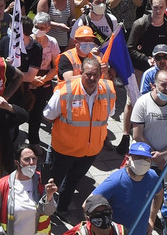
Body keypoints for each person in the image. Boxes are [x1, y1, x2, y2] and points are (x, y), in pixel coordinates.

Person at [43, 56, 115, 216]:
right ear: (80, 73)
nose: (92, 78)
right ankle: (43, 209)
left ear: (100, 75)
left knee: (73, 181)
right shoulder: (65, 91)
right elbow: (47, 115)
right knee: (52, 180)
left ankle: (62, 208)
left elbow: (109, 113)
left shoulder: (109, 91)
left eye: (96, 74)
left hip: (90, 151)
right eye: (88, 74)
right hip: (63, 150)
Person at [0, 144, 58, 235]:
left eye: (34, 158)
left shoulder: (42, 181)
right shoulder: (2, 185)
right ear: (17, 163)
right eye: (27, 159)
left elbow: (49, 212)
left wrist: (49, 196)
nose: (32, 162)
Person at [91, 142, 162, 235]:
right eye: (138, 157)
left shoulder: (153, 177)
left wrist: (152, 219)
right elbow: (88, 204)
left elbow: (159, 194)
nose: (142, 161)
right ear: (128, 159)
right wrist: (100, 233)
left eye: (146, 158)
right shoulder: (115, 181)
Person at [60, 195, 131, 235]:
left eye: (106, 212)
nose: (103, 216)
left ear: (111, 212)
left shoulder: (122, 232)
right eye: (97, 214)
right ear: (88, 218)